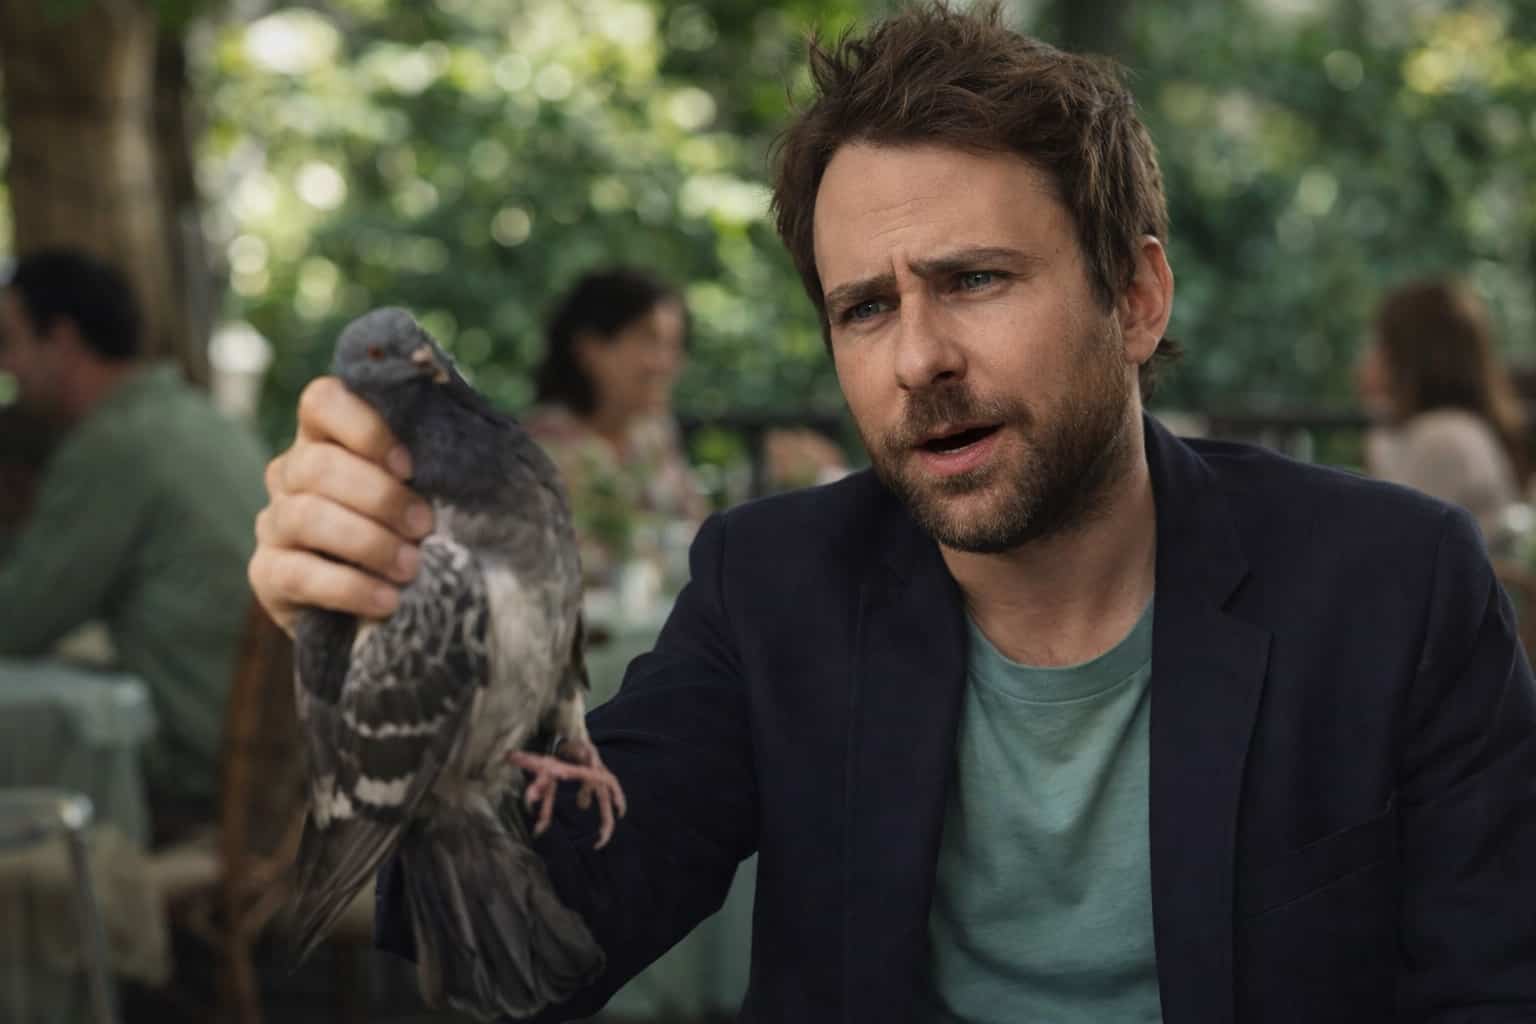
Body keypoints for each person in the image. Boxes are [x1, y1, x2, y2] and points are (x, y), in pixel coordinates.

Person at [247, 4, 1536, 1021]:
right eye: (865, 307)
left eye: (973, 279)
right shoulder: (774, 586)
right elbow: (542, 943)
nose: (916, 358)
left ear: (1137, 301)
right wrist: (400, 664)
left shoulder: (1392, 583)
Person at [0, 247, 269, 845]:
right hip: (272, 756)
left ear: (63, 341)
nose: (8, 368)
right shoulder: (200, 419)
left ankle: (59, 930)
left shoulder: (114, 446)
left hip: (194, 760)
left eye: (11, 340)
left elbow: (15, 623)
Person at [523, 267, 709, 590]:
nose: (666, 364)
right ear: (590, 348)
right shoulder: (541, 449)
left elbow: (701, 538)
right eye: (649, 341)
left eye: (674, 346)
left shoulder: (653, 437)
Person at [1357, 276, 1527, 553]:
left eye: (1379, 344)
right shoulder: (1461, 429)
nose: (1367, 358)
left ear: (1406, 356)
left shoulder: (1441, 438)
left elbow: (1393, 546)